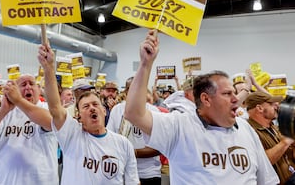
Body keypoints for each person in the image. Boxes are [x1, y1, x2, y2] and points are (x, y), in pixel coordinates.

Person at [124, 30, 279, 184]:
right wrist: (146, 64)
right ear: (206, 99)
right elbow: (134, 114)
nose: (235, 99)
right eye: (227, 94)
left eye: (234, 93)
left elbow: (268, 181)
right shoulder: (180, 126)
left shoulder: (246, 129)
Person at [38, 42, 139, 185]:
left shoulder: (124, 144)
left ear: (104, 111)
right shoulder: (72, 134)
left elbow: (133, 182)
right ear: (79, 116)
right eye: (85, 106)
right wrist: (48, 68)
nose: (92, 108)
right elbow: (55, 107)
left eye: (95, 104)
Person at [0, 74, 59, 184]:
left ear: (38, 89)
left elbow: (50, 123)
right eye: (23, 84)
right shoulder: (5, 112)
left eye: (31, 83)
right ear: (15, 90)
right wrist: (3, 110)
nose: (28, 87)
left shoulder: (46, 108)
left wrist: (18, 101)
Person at [107, 86, 162, 184]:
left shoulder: (154, 112)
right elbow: (109, 139)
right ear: (126, 92)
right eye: (132, 90)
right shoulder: (117, 110)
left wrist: (131, 152)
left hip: (148, 173)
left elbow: (160, 148)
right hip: (122, 172)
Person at [246, 91, 295, 184]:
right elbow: (261, 163)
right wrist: (285, 142)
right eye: (272, 104)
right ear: (259, 108)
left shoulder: (274, 127)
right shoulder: (249, 131)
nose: (277, 106)